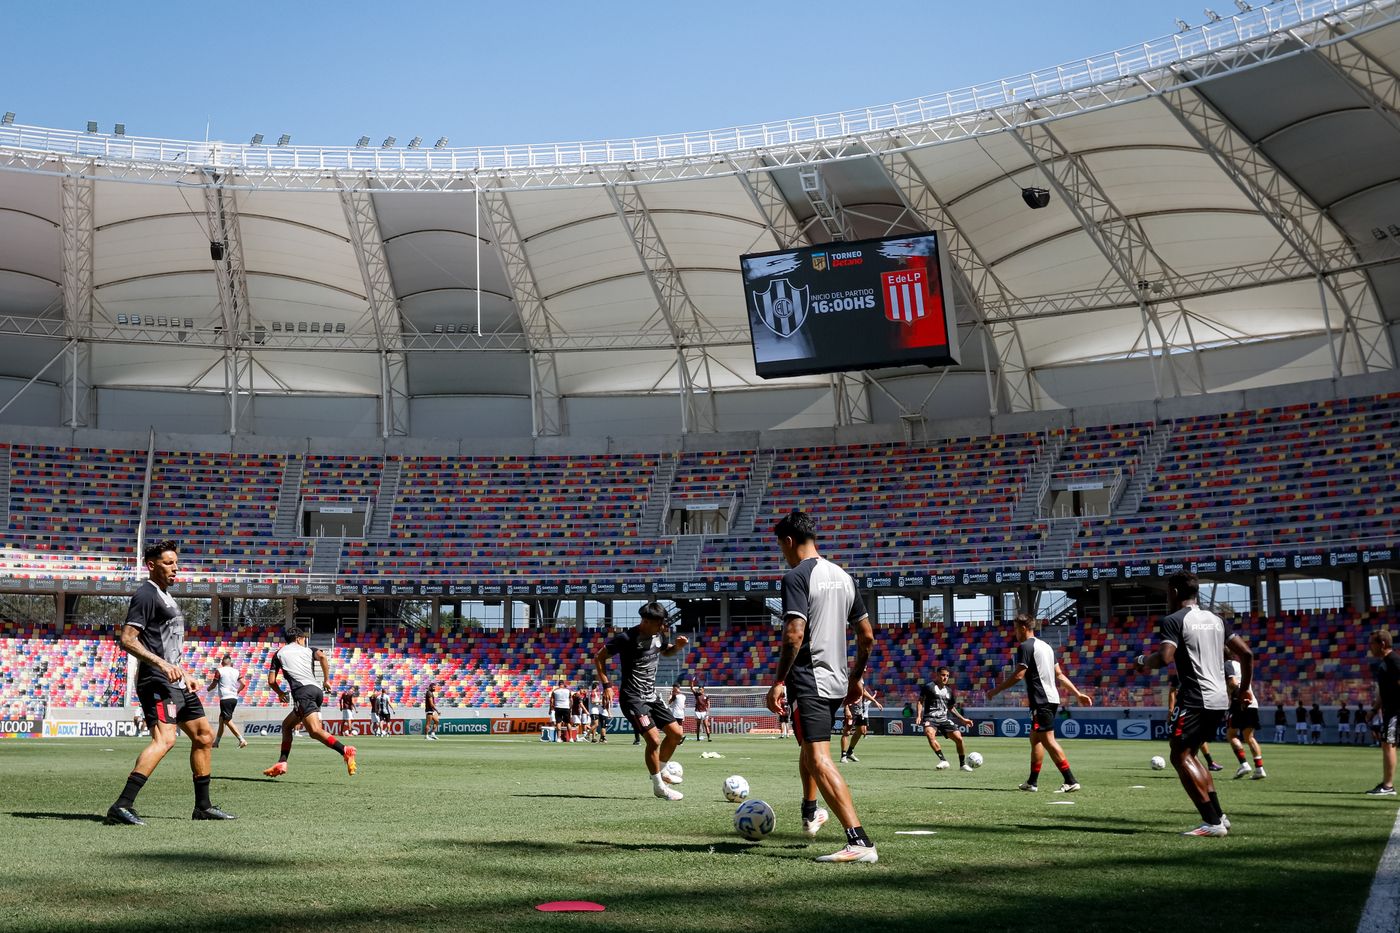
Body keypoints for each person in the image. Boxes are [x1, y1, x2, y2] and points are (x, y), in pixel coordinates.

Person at [764, 510, 878, 863]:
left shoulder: (796, 577)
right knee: (811, 749)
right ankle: (811, 808)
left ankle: (859, 841)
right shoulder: (844, 577)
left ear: (788, 541)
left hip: (808, 679)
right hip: (836, 680)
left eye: (780, 546)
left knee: (818, 756)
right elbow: (867, 636)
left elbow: (794, 634)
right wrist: (855, 678)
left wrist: (779, 680)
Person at [105, 540, 234, 825]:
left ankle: (203, 807)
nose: (175, 568)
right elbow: (127, 639)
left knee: (204, 736)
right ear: (151, 565)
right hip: (155, 681)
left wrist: (183, 673)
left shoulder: (166, 596)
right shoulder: (146, 595)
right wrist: (163, 665)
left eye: (176, 562)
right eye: (168, 563)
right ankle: (122, 805)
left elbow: (164, 646)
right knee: (165, 739)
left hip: (174, 681)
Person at [1134, 571, 1251, 837]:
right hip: (1220, 698)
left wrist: (1141, 661)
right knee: (1191, 754)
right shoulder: (1217, 620)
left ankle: (1212, 823)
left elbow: (1164, 658)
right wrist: (1243, 691)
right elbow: (1246, 653)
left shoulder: (1174, 620)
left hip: (1195, 697)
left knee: (1180, 756)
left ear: (1174, 592)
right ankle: (1219, 816)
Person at [593, 602, 689, 800]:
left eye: (654, 623)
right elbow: (599, 657)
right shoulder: (626, 638)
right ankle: (659, 787)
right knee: (653, 739)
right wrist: (607, 685)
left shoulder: (659, 635)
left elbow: (665, 650)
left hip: (651, 696)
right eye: (646, 621)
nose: (646, 625)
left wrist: (677, 647)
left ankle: (660, 770)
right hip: (632, 697)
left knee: (676, 734)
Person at [987, 615, 1090, 793]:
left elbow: (1019, 675)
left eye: (1016, 628)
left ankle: (1070, 780)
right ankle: (1032, 782)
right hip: (1051, 699)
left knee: (1048, 740)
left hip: (1041, 700)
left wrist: (996, 690)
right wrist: (1078, 694)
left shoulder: (1026, 646)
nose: (1015, 632)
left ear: (1023, 628)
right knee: (1035, 739)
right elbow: (1060, 675)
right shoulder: (1047, 647)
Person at [262, 627, 356, 778]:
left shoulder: (279, 654)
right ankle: (282, 762)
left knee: (314, 731)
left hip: (302, 693)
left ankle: (345, 750)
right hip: (316, 690)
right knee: (287, 726)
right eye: (304, 638)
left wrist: (280, 693)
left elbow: (271, 681)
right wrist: (326, 680)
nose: (305, 640)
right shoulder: (308, 650)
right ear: (299, 638)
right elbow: (323, 658)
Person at [914, 667, 973, 771]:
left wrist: (963, 719)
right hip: (930, 717)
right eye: (943, 675)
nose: (945, 677)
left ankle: (962, 764)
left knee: (959, 738)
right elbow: (920, 701)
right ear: (937, 675)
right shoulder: (929, 687)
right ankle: (943, 760)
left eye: (947, 676)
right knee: (929, 734)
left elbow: (951, 708)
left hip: (943, 719)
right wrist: (919, 715)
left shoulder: (949, 691)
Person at [1366, 629, 1400, 796]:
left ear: (1382, 644)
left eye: (1372, 643)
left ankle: (1387, 786)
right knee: (1387, 743)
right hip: (1389, 711)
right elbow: (1384, 691)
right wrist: (1374, 709)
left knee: (1388, 744)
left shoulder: (1394, 661)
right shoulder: (1385, 663)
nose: (1369, 647)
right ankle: (1387, 785)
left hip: (1395, 711)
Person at [1226, 647, 1266, 780]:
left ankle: (1244, 764)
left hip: (1240, 703)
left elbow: (1232, 683)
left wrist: (1239, 698)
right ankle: (1259, 769)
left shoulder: (1226, 665)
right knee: (1249, 737)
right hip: (1252, 702)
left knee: (1231, 735)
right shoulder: (1238, 664)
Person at [1169, 673, 1221, 772]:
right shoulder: (1180, 673)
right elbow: (1172, 691)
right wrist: (1171, 709)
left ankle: (1207, 763)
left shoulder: (1201, 672)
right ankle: (1203, 764)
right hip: (1184, 708)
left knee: (1197, 738)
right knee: (1178, 740)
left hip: (1198, 708)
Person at [207, 654, 248, 750]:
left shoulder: (219, 671)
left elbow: (214, 684)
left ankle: (241, 740)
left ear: (222, 663)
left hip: (225, 698)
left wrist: (208, 689)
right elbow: (244, 683)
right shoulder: (236, 671)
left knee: (227, 720)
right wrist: (237, 691)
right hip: (234, 698)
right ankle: (216, 742)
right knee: (222, 719)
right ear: (231, 663)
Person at [839, 678, 881, 763]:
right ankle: (843, 755)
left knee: (861, 731)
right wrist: (846, 708)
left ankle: (850, 752)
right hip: (851, 709)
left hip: (859, 710)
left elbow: (864, 692)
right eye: (864, 667)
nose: (865, 668)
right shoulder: (852, 679)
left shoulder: (861, 679)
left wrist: (875, 701)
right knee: (847, 732)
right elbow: (844, 694)